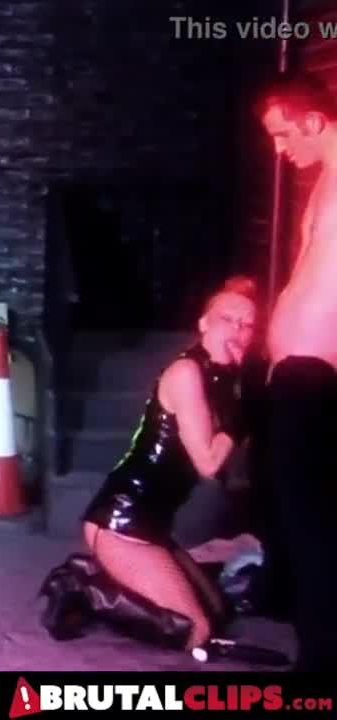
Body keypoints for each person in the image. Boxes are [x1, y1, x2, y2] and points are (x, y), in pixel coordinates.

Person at [74, 277, 258, 652]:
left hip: (154, 525)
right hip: (121, 522)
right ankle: (86, 590)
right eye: (227, 319)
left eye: (247, 324)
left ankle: (122, 581)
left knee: (218, 610)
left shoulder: (226, 379)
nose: (237, 330)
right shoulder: (187, 373)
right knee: (196, 630)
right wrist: (243, 417)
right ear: (204, 323)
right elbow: (208, 463)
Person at [254, 71, 337, 672]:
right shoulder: (325, 178)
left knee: (315, 522)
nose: (280, 150)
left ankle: (323, 662)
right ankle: (288, 605)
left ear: (313, 120)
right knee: (289, 510)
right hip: (294, 375)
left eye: (284, 134)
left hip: (316, 376)